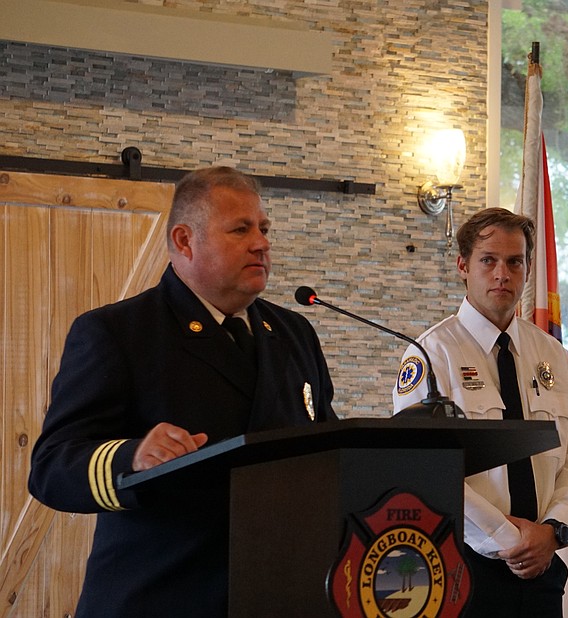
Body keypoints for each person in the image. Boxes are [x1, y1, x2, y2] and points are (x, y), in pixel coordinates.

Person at [28, 166, 337, 617]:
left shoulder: (293, 332)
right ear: (184, 241)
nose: (262, 243)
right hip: (161, 596)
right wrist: (131, 457)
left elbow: (322, 449)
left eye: (264, 228)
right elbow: (51, 467)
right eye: (240, 229)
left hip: (276, 593)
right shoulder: (118, 333)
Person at [392, 207, 568, 617]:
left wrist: (553, 531)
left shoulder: (552, 355)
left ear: (526, 269)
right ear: (463, 266)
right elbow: (426, 468)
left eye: (514, 261)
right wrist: (507, 538)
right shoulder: (431, 355)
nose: (502, 273)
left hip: (543, 566)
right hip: (465, 566)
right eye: (488, 260)